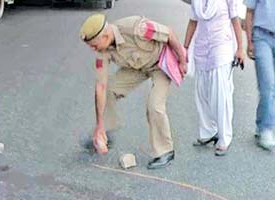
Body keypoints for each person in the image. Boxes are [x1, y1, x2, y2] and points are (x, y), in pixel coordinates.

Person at [79, 13, 187, 169]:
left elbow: (168, 33)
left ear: (106, 35)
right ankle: (104, 133)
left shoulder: (138, 28)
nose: (93, 49)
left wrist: (182, 61)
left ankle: (165, 151)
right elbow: (100, 86)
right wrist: (99, 125)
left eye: (94, 45)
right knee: (109, 89)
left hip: (159, 64)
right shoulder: (101, 51)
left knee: (154, 105)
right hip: (136, 68)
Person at [184, 0, 244, 156]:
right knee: (202, 93)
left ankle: (224, 138)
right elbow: (192, 22)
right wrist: (184, 48)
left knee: (221, 95)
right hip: (201, 48)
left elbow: (235, 20)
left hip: (221, 47)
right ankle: (208, 132)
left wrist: (240, 49)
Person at [244, 0, 275, 150]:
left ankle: (261, 123)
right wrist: (249, 42)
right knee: (268, 85)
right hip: (262, 37)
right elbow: (249, 13)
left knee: (269, 87)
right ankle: (266, 129)